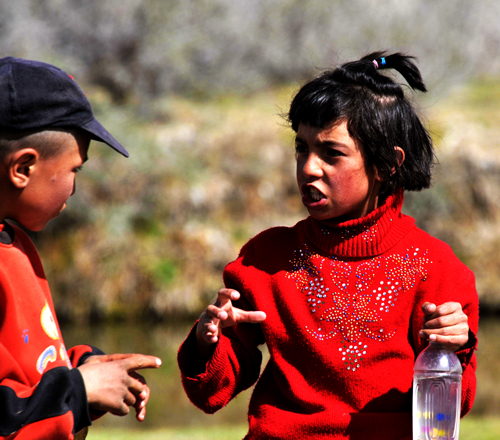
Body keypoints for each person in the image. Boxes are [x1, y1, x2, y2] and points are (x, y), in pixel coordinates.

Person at [177, 52, 478, 440]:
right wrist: (206, 341)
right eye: (302, 148)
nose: (308, 168)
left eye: (331, 154)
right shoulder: (265, 259)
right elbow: (211, 393)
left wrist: (454, 350)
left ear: (387, 164)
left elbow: (457, 404)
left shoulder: (436, 268)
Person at [0, 57, 162, 440]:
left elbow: (24, 375)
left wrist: (85, 367)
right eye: (76, 169)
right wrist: (80, 388)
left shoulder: (16, 243)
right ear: (23, 167)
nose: (74, 187)